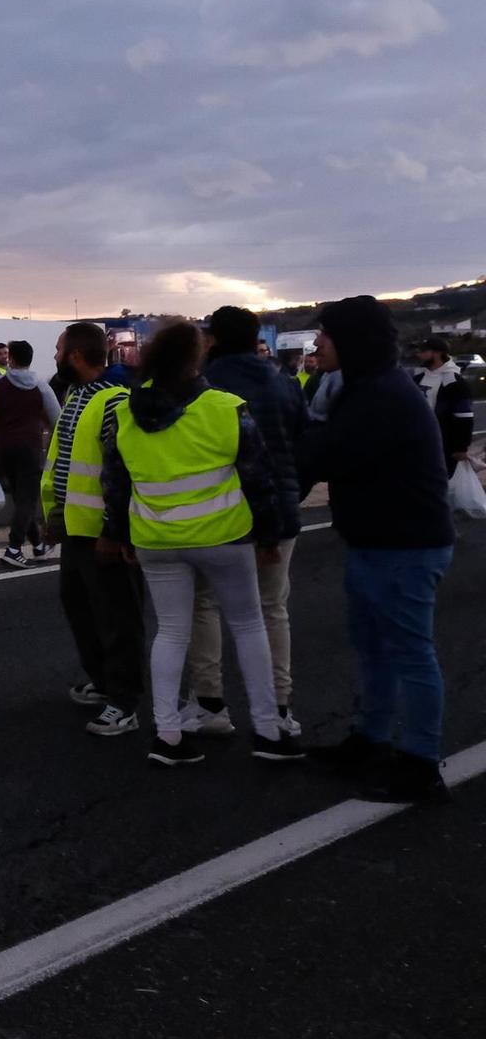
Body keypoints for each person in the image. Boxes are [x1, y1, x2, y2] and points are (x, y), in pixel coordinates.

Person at [99, 320, 296, 767]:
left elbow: (115, 482)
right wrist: (268, 535)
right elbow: (258, 477)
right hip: (224, 537)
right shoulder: (225, 407)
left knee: (170, 632)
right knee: (248, 626)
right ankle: (268, 729)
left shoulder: (126, 412)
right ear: (196, 358)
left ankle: (167, 735)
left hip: (155, 538)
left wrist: (120, 534)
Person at [299, 298, 458, 802]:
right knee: (374, 649)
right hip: (376, 540)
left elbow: (326, 454)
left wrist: (284, 418)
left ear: (353, 341)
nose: (317, 342)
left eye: (326, 334)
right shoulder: (365, 387)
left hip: (405, 545)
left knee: (410, 653)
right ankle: (370, 740)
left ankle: (420, 763)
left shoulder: (381, 396)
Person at [180, 307, 308, 737]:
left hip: (218, 515)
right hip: (281, 511)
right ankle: (280, 710)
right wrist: (292, 492)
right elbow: (306, 447)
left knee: (206, 605)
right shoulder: (285, 382)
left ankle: (210, 703)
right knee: (272, 609)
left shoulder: (202, 386)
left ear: (212, 339)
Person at [42, 321, 143, 737]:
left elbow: (122, 473)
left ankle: (125, 702)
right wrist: (53, 515)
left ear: (77, 356)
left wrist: (114, 531)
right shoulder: (74, 396)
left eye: (59, 348)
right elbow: (63, 462)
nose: (54, 355)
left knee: (119, 617)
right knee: (80, 607)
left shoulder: (113, 400)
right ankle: (103, 682)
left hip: (101, 534)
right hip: (74, 530)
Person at [0, 339, 61, 568]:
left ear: (10, 359)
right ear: (30, 359)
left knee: (20, 498)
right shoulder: (41, 386)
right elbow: (57, 418)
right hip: (30, 449)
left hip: (3, 450)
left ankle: (38, 545)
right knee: (28, 500)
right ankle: (13, 548)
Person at [413, 335, 476, 476]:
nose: (419, 355)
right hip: (418, 443)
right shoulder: (418, 379)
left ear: (437, 353)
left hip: (444, 445)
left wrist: (461, 447)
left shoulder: (453, 382)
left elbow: (464, 417)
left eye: (423, 351)